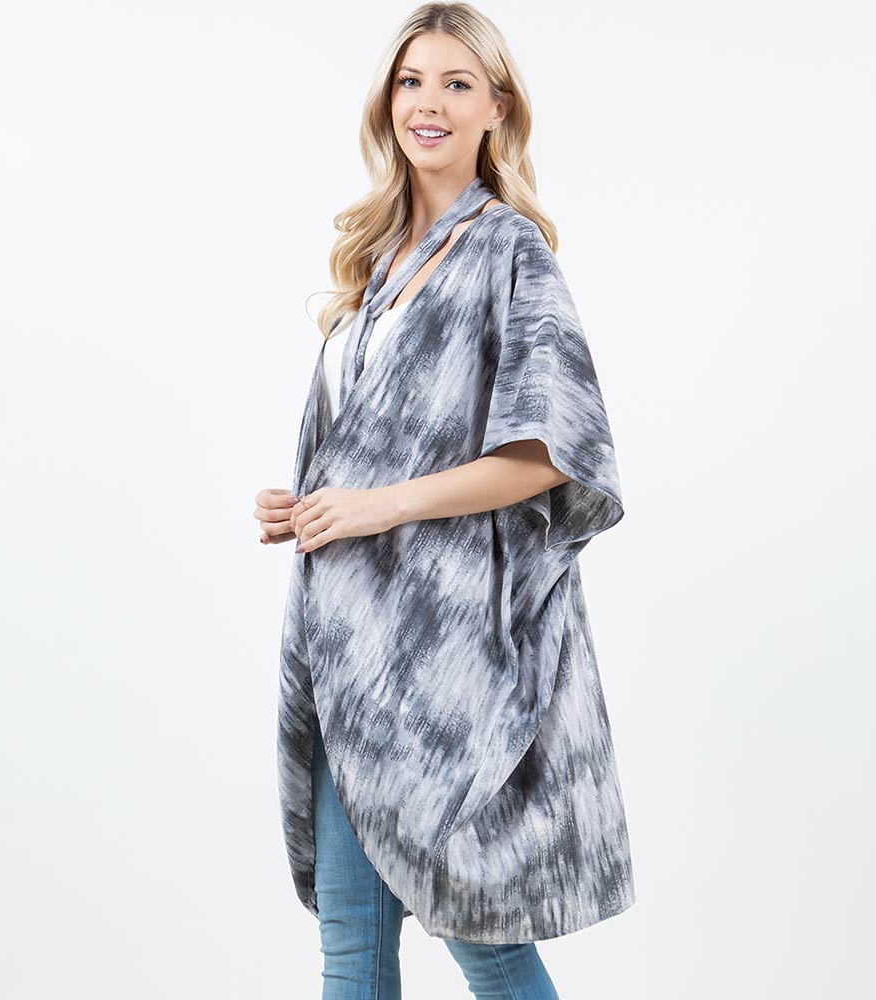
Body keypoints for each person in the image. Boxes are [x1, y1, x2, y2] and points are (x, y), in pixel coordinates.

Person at [255, 4, 634, 997]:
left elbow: (555, 453)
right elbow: (370, 446)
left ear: (496, 108)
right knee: (351, 947)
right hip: (350, 649)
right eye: (411, 81)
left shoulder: (510, 252)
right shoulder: (375, 264)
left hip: (448, 666)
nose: (428, 103)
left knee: (486, 938)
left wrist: (379, 506)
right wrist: (310, 505)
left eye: (456, 84)